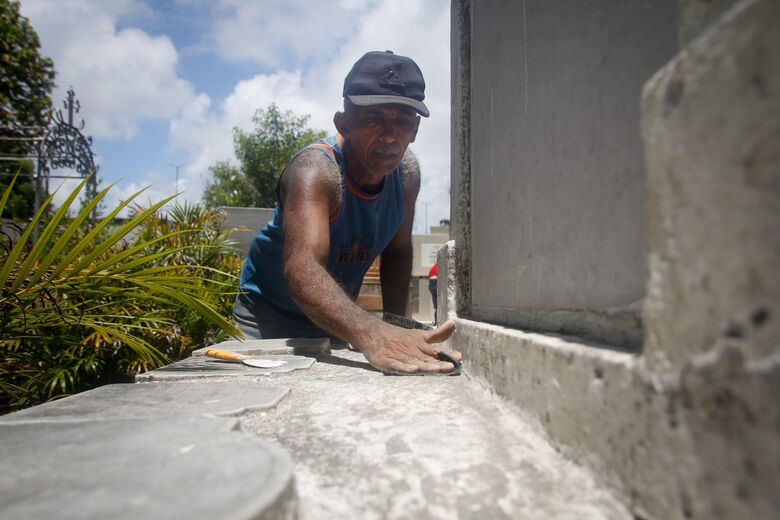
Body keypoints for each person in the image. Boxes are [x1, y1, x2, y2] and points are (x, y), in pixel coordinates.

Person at [233, 50, 462, 374]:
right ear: (344, 123)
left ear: (416, 130)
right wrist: (372, 331)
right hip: (266, 321)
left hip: (333, 322)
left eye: (402, 121)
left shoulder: (407, 175)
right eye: (373, 119)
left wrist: (397, 328)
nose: (389, 135)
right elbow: (302, 268)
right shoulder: (315, 171)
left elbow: (397, 251)